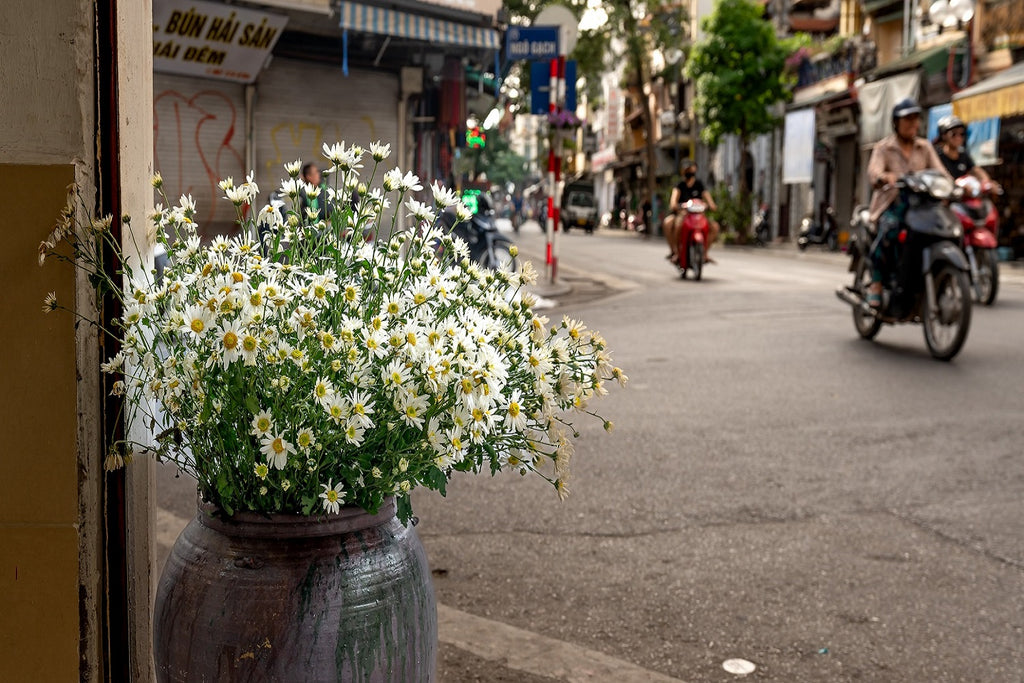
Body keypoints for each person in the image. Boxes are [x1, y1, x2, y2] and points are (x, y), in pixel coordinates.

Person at [865, 98, 951, 307]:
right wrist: (885, 177)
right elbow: (874, 172)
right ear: (896, 122)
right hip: (893, 204)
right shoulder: (884, 147)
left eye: (915, 119)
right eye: (907, 119)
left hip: (922, 206)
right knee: (889, 231)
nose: (913, 123)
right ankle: (876, 282)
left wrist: (952, 186)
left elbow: (942, 173)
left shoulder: (925, 147)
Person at [662, 159, 719, 263]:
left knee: (714, 227)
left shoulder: (699, 184)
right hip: (683, 215)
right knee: (669, 223)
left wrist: (711, 205)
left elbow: (709, 199)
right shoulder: (679, 185)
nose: (689, 170)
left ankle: (704, 253)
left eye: (691, 168)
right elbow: (673, 202)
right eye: (687, 169)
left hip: (698, 216)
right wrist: (677, 206)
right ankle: (676, 252)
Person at [934, 115, 1001, 190]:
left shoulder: (963, 154)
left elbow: (976, 170)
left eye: (962, 134)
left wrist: (987, 182)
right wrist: (954, 184)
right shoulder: (937, 155)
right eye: (954, 134)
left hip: (962, 194)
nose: (958, 137)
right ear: (944, 136)